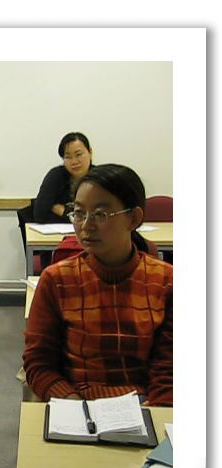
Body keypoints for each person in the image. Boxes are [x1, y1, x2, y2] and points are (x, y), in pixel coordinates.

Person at [23, 163, 173, 406]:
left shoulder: (166, 282)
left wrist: (155, 412)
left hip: (145, 405)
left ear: (133, 218)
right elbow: (39, 363)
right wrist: (74, 405)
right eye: (79, 213)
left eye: (101, 214)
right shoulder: (57, 280)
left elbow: (170, 369)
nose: (86, 225)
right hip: (77, 403)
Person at [33, 132, 93, 223]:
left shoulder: (100, 178)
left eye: (78, 155)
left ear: (90, 152)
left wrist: (63, 211)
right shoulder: (55, 176)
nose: (74, 161)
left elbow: (101, 215)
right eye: (68, 157)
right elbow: (40, 214)